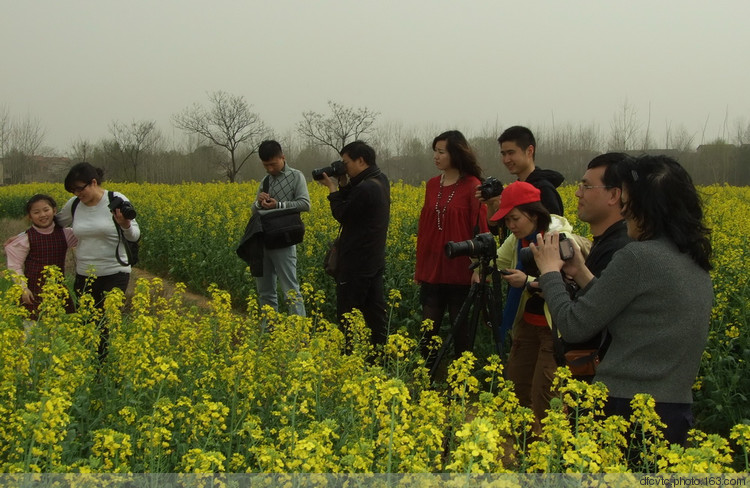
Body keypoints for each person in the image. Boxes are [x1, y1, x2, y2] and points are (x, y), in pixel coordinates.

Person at [531, 154, 713, 445]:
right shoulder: (693, 260)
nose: (624, 213)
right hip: (674, 412)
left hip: (625, 410)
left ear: (647, 208)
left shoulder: (638, 257)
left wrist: (550, 272)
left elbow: (575, 325)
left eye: (628, 204)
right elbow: (629, 317)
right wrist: (580, 273)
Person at [484, 181, 581, 431]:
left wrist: (526, 281)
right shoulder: (518, 240)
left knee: (545, 397)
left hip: (554, 330)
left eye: (514, 218)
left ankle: (547, 459)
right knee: (516, 389)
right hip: (526, 324)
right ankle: (524, 452)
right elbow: (498, 261)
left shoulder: (560, 239)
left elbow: (568, 284)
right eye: (506, 221)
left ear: (534, 213)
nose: (511, 226)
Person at [415, 130, 488, 362]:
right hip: (433, 268)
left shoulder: (472, 185)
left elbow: (480, 229)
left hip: (460, 269)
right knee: (428, 329)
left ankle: (462, 382)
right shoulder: (432, 185)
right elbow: (425, 230)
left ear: (455, 153)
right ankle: (425, 379)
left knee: (461, 331)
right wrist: (421, 267)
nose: (435, 157)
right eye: (434, 151)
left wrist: (477, 268)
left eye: (441, 152)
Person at [57, 162, 141, 359]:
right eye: (73, 190)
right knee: (87, 324)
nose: (78, 194)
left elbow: (135, 236)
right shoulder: (74, 204)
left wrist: (125, 224)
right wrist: (22, 238)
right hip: (84, 272)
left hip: (115, 271)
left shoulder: (116, 199)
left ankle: (106, 370)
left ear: (93, 182)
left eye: (80, 188)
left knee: (106, 324)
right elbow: (52, 223)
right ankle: (90, 367)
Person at [561, 152, 632, 381]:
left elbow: (587, 320)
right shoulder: (606, 242)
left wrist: (551, 276)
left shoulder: (621, 250)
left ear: (614, 195)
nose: (577, 192)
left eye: (586, 186)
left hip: (603, 383)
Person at [317, 141, 390, 347]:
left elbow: (343, 214)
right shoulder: (379, 180)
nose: (344, 166)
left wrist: (332, 189)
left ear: (361, 160)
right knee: (375, 314)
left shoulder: (366, 187)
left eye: (346, 162)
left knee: (347, 314)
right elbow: (357, 204)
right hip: (373, 261)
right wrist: (343, 182)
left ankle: (349, 355)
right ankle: (378, 357)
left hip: (355, 264)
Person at [252, 140, 310, 316]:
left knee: (290, 291)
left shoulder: (296, 176)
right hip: (263, 238)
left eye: (273, 164)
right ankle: (269, 333)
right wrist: (259, 202)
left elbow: (305, 204)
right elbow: (254, 211)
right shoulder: (265, 181)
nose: (270, 169)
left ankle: (299, 336)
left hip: (284, 239)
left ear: (282, 157)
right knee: (265, 292)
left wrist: (278, 205)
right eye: (265, 165)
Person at [4, 194, 78, 320]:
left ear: (54, 210)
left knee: (57, 333)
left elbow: (86, 236)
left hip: (58, 290)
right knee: (32, 332)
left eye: (46, 210)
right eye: (36, 212)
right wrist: (23, 288)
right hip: (33, 291)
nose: (42, 215)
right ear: (30, 216)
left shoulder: (65, 233)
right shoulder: (26, 238)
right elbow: (14, 265)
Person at [480, 126, 564, 224]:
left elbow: (554, 231)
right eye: (503, 154)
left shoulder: (544, 190)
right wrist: (491, 204)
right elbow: (498, 230)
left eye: (511, 153)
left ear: (529, 151)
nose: (506, 160)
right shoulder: (514, 189)